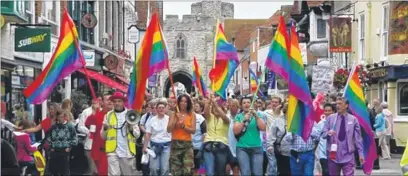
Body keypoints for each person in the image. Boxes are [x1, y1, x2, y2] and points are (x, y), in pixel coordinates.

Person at [101, 91, 141, 175]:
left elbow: (137, 135)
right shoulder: (108, 115)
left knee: (127, 174)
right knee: (113, 174)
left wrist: (130, 128)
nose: (116, 103)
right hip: (112, 151)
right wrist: (105, 128)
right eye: (114, 101)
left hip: (127, 151)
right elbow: (103, 136)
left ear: (123, 102)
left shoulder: (131, 114)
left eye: (119, 101)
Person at [323, 97, 365, 176]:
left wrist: (361, 153)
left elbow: (358, 138)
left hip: (348, 155)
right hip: (333, 155)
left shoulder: (353, 119)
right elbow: (323, 134)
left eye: (340, 104)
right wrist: (328, 133)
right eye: (336, 104)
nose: (337, 106)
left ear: (346, 105)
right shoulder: (330, 118)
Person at [233, 96, 266, 176]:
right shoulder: (238, 116)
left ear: (252, 104)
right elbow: (236, 131)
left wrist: (256, 116)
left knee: (258, 173)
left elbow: (263, 128)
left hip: (257, 148)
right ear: (241, 105)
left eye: (248, 102)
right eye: (244, 103)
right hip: (242, 148)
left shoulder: (258, 115)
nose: (246, 104)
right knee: (245, 172)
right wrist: (244, 120)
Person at [167, 94, 196, 175]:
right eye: (181, 101)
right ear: (178, 103)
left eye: (185, 102)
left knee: (187, 170)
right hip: (175, 144)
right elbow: (168, 130)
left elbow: (193, 131)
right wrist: (175, 120)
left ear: (188, 103)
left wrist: (183, 126)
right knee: (176, 171)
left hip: (187, 145)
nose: (183, 103)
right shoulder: (173, 114)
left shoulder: (192, 114)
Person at [85, 93, 113, 175]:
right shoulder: (97, 114)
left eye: (111, 99)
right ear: (102, 102)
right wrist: (94, 112)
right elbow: (87, 123)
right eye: (107, 100)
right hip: (101, 152)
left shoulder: (117, 115)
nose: (110, 101)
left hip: (115, 151)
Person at [202, 94, 230, 176]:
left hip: (222, 146)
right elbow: (206, 111)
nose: (216, 110)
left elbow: (224, 118)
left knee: (221, 172)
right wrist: (209, 101)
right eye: (214, 108)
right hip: (209, 146)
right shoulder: (209, 117)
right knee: (210, 173)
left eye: (218, 108)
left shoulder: (226, 118)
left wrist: (215, 104)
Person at [143, 101, 172, 176]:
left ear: (165, 109)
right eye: (159, 108)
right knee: (154, 168)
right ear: (156, 109)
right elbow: (148, 134)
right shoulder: (152, 120)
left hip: (166, 146)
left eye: (163, 108)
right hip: (154, 146)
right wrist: (145, 147)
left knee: (164, 168)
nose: (161, 109)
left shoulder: (169, 119)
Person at [47, 110, 78, 175]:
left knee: (64, 170)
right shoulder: (54, 127)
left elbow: (75, 138)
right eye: (59, 117)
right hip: (55, 151)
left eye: (61, 117)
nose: (60, 119)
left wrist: (70, 147)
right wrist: (51, 146)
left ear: (64, 117)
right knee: (54, 170)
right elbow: (49, 137)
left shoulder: (70, 126)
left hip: (65, 150)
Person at [264, 96, 283, 175]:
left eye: (276, 102)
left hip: (281, 143)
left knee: (279, 165)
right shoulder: (266, 113)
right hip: (270, 143)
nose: (274, 104)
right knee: (272, 164)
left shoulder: (283, 114)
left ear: (280, 104)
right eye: (273, 102)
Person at [316, 104, 335, 176]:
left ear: (333, 111)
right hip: (323, 153)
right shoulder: (320, 123)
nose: (327, 112)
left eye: (329, 111)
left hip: (334, 153)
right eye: (326, 111)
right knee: (326, 172)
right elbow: (317, 137)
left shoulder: (337, 123)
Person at [192, 100, 207, 175]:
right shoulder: (189, 116)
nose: (194, 107)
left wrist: (202, 146)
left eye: (196, 106)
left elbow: (204, 133)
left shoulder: (201, 118)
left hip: (199, 146)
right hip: (190, 147)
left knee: (201, 165)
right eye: (194, 105)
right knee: (194, 167)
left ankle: (202, 174)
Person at [226, 99, 240, 176]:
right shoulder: (226, 117)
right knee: (227, 170)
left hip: (238, 147)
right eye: (230, 106)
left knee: (236, 170)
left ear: (238, 107)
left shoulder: (241, 117)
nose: (231, 107)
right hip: (227, 147)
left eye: (233, 106)